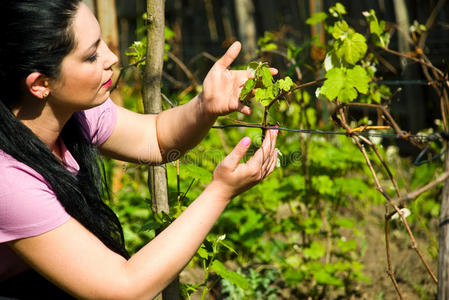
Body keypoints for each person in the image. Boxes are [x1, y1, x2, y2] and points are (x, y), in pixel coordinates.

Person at [0, 0, 279, 299]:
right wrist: (219, 192)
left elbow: (155, 138)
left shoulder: (71, 111)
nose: (112, 58)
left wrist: (205, 105)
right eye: (92, 55)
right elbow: (124, 288)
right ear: (41, 83)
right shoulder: (9, 179)